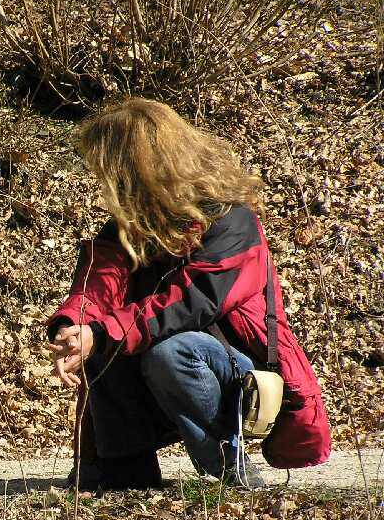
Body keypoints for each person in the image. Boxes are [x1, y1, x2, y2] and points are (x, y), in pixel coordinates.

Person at [47, 98, 331, 491]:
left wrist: (102, 332)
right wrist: (74, 328)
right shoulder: (126, 228)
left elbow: (190, 303)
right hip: (165, 370)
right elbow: (98, 285)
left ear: (140, 168)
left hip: (238, 373)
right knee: (104, 337)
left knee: (168, 350)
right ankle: (124, 472)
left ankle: (230, 465)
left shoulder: (233, 224)